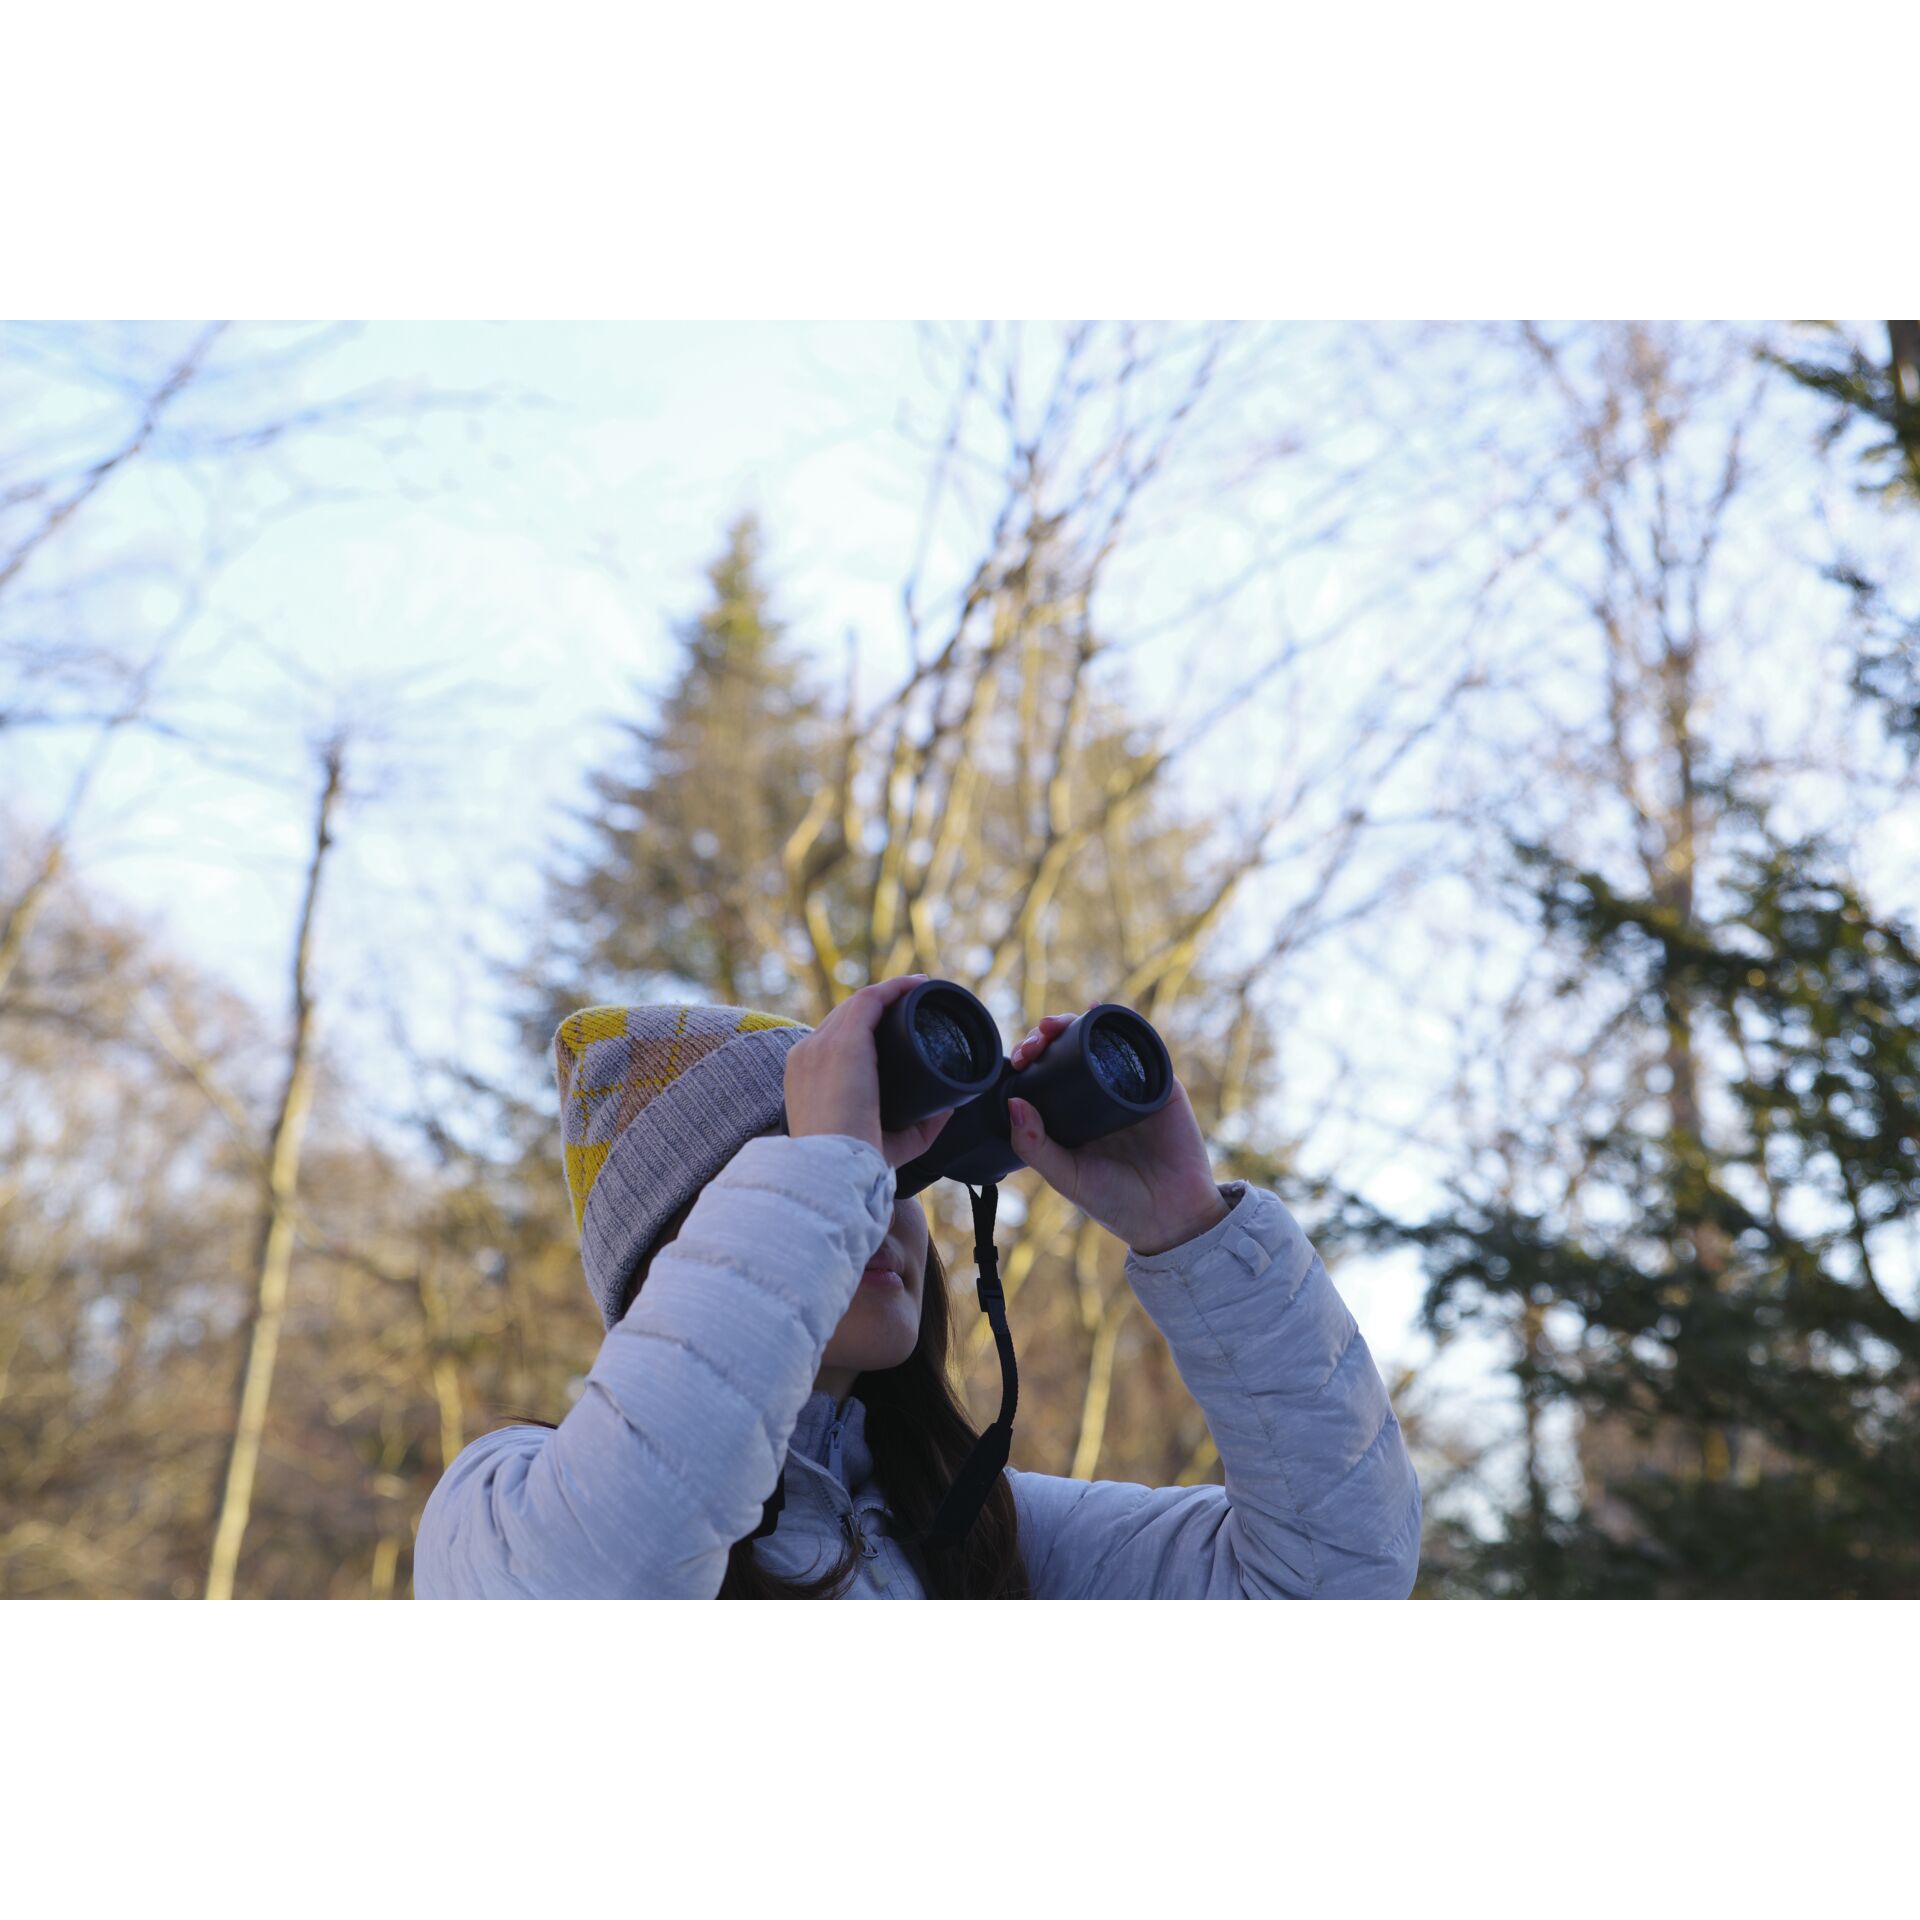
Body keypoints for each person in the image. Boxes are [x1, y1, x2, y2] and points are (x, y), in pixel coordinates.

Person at [413, 973, 1421, 1599]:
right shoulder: (500, 1509)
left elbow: (1332, 1581)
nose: (876, 1204)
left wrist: (1189, 1225)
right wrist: (823, 1175)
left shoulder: (978, 1534)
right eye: (831, 1168)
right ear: (684, 1248)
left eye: (894, 1173)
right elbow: (614, 1571)